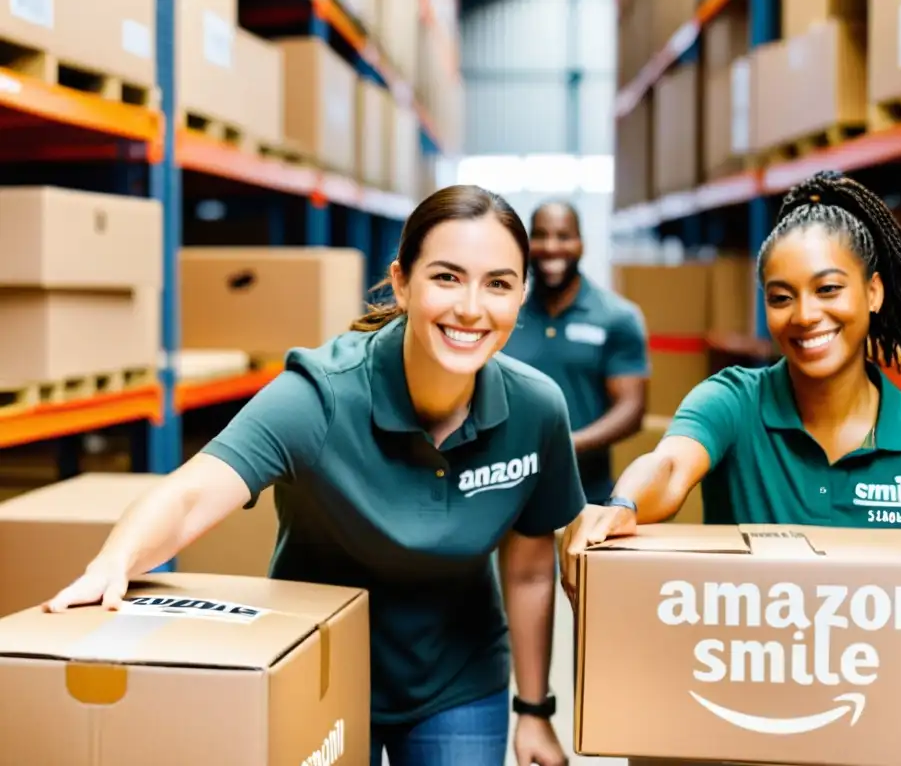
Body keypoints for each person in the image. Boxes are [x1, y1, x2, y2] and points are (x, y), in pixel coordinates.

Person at [43, 185, 606, 766]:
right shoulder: (321, 397)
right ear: (402, 283)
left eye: (498, 283)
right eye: (446, 277)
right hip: (321, 666)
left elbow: (532, 569)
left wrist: (535, 712)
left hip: (459, 679)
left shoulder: (537, 408)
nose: (471, 307)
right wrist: (113, 563)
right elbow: (192, 492)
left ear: (520, 296)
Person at [558, 170, 901, 765]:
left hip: (881, 741)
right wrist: (619, 508)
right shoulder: (732, 402)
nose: (805, 315)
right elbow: (670, 468)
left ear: (874, 292)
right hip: (746, 737)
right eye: (781, 297)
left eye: (829, 289)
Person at [501, 200, 650, 505]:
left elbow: (631, 408)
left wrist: (567, 445)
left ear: (581, 243)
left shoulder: (616, 318)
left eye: (563, 236)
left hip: (586, 495)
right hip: (506, 491)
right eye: (540, 235)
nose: (551, 246)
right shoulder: (504, 313)